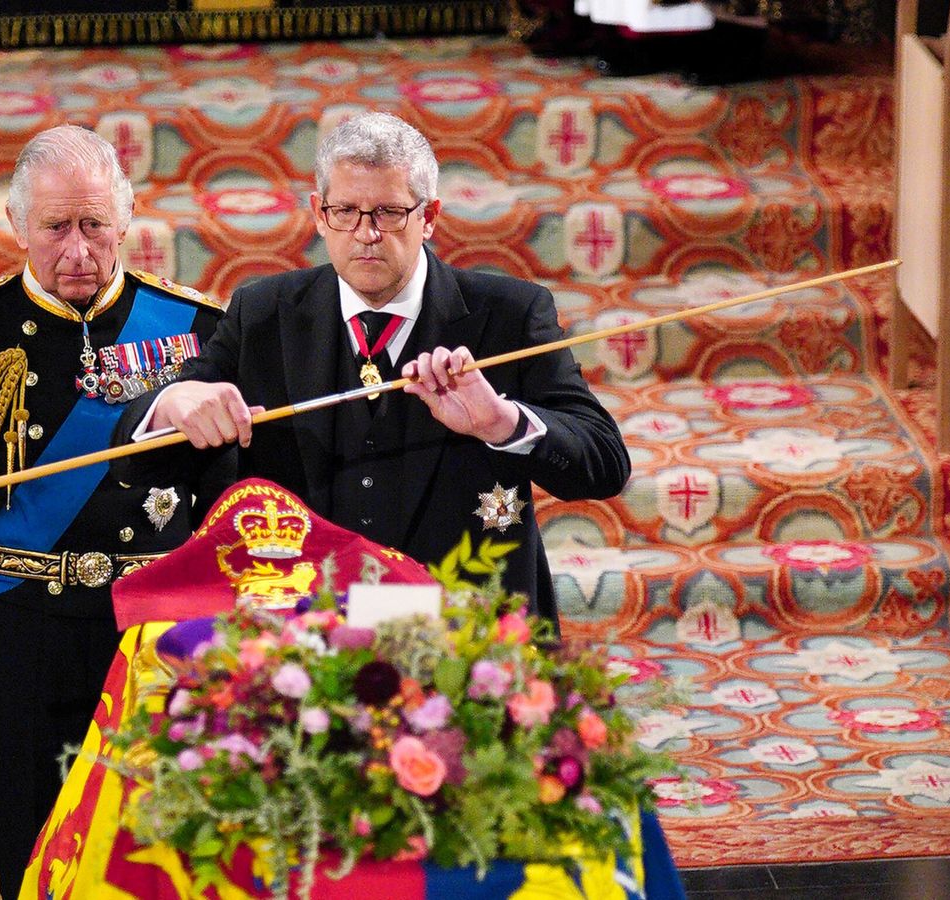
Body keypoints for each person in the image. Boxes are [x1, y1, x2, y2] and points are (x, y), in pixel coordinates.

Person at [118, 111, 630, 628]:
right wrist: (171, 405)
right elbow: (134, 463)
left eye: (388, 213)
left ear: (429, 216)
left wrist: (502, 422)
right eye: (345, 211)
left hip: (466, 632)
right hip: (306, 631)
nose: (366, 234)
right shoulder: (263, 313)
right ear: (319, 213)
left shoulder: (510, 314)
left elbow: (606, 464)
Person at [0, 124, 228, 899]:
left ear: (126, 219)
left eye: (95, 226)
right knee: (24, 846)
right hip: (16, 630)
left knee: (154, 849)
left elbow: (228, 513)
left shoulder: (194, 332)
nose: (77, 251)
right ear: (17, 226)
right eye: (55, 228)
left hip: (150, 633)